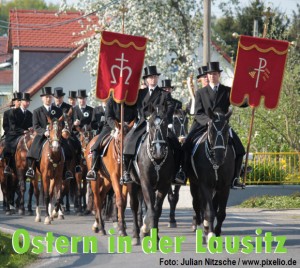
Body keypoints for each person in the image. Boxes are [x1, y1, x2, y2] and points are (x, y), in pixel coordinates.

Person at [183, 62, 247, 188]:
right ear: (207, 76)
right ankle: (183, 173)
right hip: (202, 124)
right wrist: (209, 121)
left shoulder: (227, 91)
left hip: (222, 126)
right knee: (185, 146)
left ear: (219, 75)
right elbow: (197, 113)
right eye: (210, 74)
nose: (212, 76)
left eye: (215, 74)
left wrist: (249, 100)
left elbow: (240, 102)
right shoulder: (201, 92)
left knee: (240, 149)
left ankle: (235, 177)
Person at [122, 65, 181, 184]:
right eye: (150, 77)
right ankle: (127, 171)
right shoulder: (140, 93)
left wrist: (163, 117)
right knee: (129, 142)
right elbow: (135, 106)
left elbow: (170, 106)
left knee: (176, 144)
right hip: (144, 123)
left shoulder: (164, 93)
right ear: (146, 80)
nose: (153, 79)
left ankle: (177, 172)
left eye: (155, 77)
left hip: (160, 123)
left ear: (157, 79)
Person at [86, 96, 138, 180]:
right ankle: (93, 169)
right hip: (111, 127)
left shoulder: (130, 100)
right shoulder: (111, 100)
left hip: (127, 128)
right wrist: (116, 126)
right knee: (96, 144)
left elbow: (135, 116)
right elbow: (108, 117)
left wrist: (129, 125)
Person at [25, 87, 64, 178]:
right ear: (42, 98)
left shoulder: (58, 110)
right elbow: (36, 126)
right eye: (46, 97)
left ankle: (67, 170)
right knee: (33, 149)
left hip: (55, 136)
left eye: (50, 97)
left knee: (67, 147)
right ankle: (31, 169)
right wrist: (44, 132)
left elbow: (61, 124)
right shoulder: (37, 111)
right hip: (42, 135)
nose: (48, 99)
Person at [161, 79, 186, 185]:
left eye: (169, 88)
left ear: (171, 90)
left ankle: (177, 172)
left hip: (171, 128)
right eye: (165, 89)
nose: (167, 90)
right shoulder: (158, 100)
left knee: (178, 148)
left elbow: (181, 117)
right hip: (157, 126)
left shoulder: (177, 103)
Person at [3, 92, 33, 175]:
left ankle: (31, 167)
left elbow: (31, 125)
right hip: (14, 134)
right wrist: (23, 131)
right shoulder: (13, 112)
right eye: (25, 101)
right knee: (9, 145)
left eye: (28, 101)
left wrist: (30, 129)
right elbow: (13, 126)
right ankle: (8, 165)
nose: (27, 103)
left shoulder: (30, 114)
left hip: (26, 134)